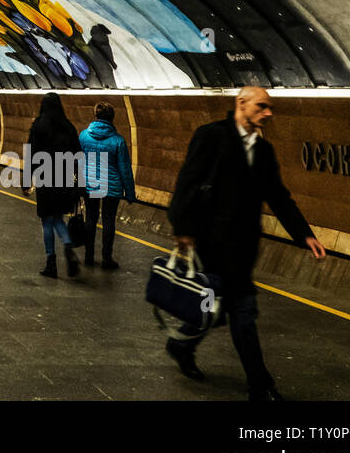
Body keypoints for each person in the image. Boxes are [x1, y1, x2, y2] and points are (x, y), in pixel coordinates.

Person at [166, 86, 326, 400]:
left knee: (215, 310)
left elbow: (278, 197)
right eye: (262, 106)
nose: (268, 113)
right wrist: (183, 229)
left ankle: (181, 344)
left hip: (243, 248)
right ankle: (261, 386)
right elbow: (187, 182)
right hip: (210, 246)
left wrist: (304, 234)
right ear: (241, 103)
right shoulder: (211, 136)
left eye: (270, 108)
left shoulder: (264, 151)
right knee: (241, 314)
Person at [26, 92, 82, 278]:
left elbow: (31, 154)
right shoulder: (68, 127)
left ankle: (51, 262)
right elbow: (78, 157)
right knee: (58, 218)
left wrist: (27, 181)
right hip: (64, 178)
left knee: (47, 221)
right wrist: (78, 183)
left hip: (45, 178)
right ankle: (67, 244)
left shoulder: (38, 126)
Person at [78, 100, 134, 268]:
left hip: (90, 184)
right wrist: (130, 192)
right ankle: (106, 259)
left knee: (91, 219)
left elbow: (78, 160)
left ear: (95, 115)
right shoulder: (118, 141)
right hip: (111, 186)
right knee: (109, 221)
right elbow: (125, 169)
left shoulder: (83, 136)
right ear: (112, 118)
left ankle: (88, 256)